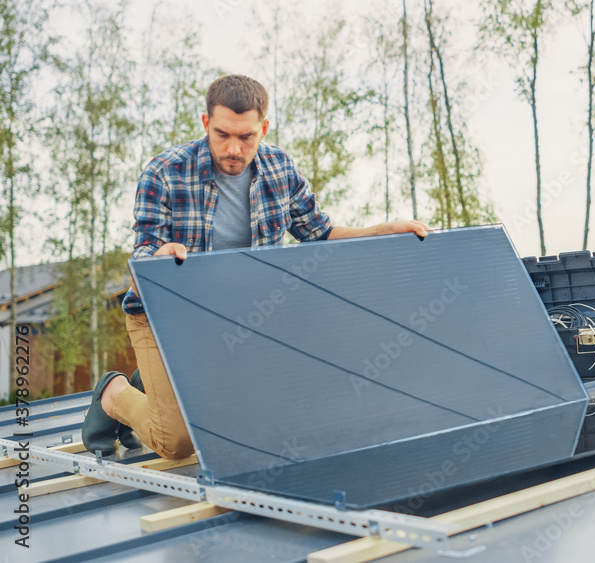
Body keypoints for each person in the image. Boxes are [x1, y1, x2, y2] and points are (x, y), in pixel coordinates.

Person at [81, 74, 428, 459]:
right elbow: (141, 256)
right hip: (164, 314)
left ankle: (155, 382)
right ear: (205, 123)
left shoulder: (279, 168)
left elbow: (320, 233)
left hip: (242, 319)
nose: (234, 148)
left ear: (263, 128)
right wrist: (158, 259)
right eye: (222, 134)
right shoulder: (164, 172)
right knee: (177, 442)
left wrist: (382, 231)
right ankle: (114, 392)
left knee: (264, 421)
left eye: (246, 137)